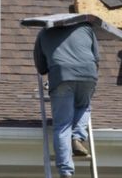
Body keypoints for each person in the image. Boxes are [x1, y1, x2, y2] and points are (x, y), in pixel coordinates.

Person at [33, 21, 99, 178]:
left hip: (61, 75)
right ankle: (77, 137)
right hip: (88, 74)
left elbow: (41, 68)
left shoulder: (44, 32)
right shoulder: (86, 28)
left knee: (63, 125)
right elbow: (96, 58)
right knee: (84, 106)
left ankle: (66, 171)